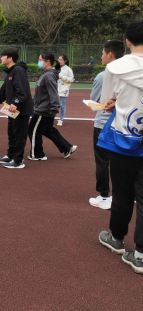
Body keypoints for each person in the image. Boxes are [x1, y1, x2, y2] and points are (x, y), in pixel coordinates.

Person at [97, 20, 143, 274]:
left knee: (123, 193)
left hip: (125, 139)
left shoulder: (115, 67)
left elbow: (106, 100)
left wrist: (115, 102)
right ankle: (141, 254)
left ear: (127, 41)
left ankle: (116, 238)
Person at [89, 40, 124, 210]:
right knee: (124, 160)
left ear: (110, 54)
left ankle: (104, 196)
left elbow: (95, 100)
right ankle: (126, 194)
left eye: (102, 53)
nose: (101, 56)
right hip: (124, 124)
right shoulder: (130, 74)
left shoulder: (103, 76)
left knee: (102, 161)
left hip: (103, 123)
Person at [28, 52, 77, 161]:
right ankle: (67, 148)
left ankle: (37, 154)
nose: (39, 62)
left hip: (44, 110)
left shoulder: (49, 75)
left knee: (32, 130)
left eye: (40, 60)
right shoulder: (47, 74)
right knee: (48, 130)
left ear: (47, 61)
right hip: (45, 107)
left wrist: (54, 108)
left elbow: (53, 93)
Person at [0, 47, 34, 169]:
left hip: (21, 110)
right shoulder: (10, 72)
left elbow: (22, 92)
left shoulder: (18, 71)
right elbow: (5, 89)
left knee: (19, 135)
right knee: (12, 133)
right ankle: (10, 155)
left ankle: (18, 160)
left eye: (3, 56)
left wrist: (15, 102)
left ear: (10, 58)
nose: (1, 58)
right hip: (12, 110)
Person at [56, 54, 74, 126]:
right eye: (58, 59)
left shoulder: (68, 69)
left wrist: (62, 77)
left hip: (64, 89)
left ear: (65, 61)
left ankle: (61, 119)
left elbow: (71, 79)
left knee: (62, 105)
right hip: (55, 89)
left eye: (61, 60)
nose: (59, 61)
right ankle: (51, 118)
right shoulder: (55, 68)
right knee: (54, 104)